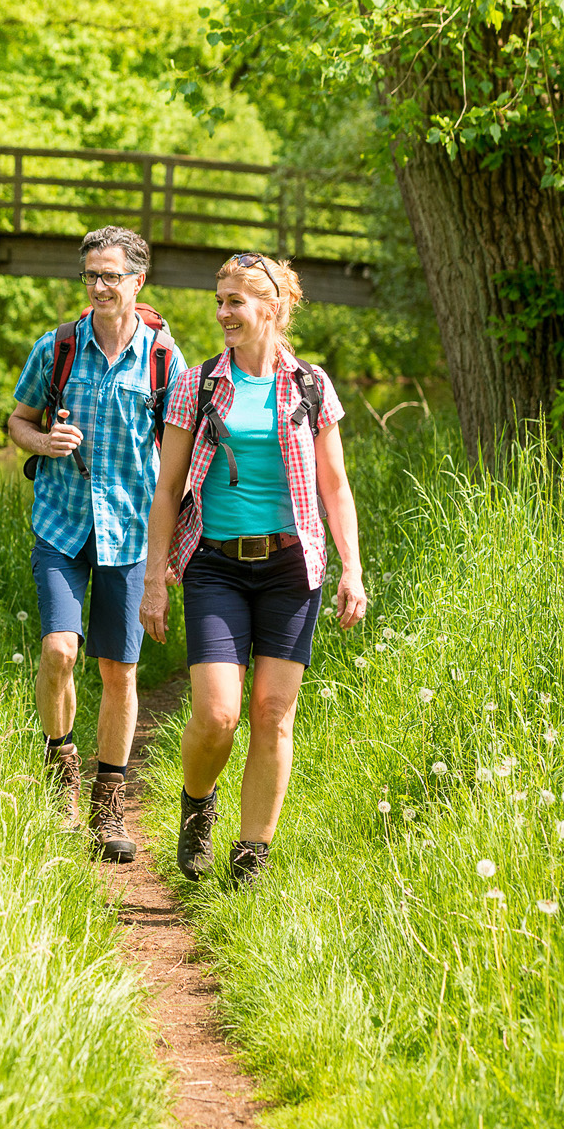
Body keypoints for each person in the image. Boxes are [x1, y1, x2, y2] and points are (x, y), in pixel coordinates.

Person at [139, 252, 368, 887]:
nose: (222, 313)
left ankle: (250, 860)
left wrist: (351, 569)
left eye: (235, 301)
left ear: (274, 307)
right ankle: (197, 806)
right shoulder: (197, 385)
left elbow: (335, 487)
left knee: (272, 712)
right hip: (216, 566)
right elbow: (167, 490)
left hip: (292, 568)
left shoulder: (311, 386)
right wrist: (155, 580)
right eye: (219, 300)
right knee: (218, 715)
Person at [7, 226, 187, 863]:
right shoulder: (55, 348)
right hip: (61, 523)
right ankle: (62, 777)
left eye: (111, 275)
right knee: (59, 650)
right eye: (91, 275)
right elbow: (18, 421)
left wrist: (173, 548)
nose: (99, 286)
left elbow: (179, 458)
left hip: (132, 532)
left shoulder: (164, 361)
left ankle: (108, 806)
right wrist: (42, 442)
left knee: (119, 671)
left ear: (138, 281)